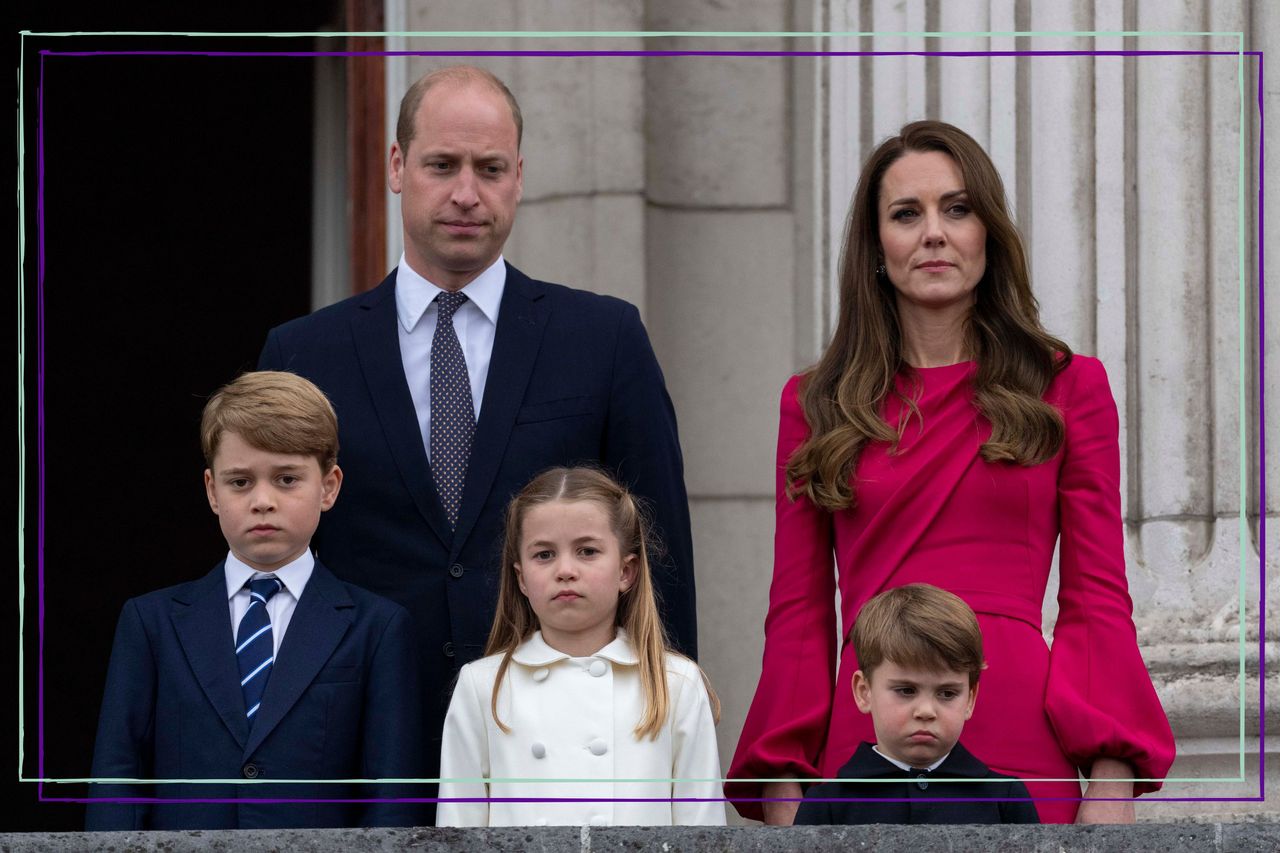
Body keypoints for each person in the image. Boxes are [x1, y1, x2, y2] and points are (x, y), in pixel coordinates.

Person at [257, 66, 697, 795]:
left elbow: (660, 553)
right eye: (442, 165)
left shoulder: (604, 337)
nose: (467, 192)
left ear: (519, 176)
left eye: (490, 168)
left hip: (561, 754)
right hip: (361, 750)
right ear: (397, 167)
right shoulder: (304, 353)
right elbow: (274, 564)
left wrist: (662, 733)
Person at [728, 120, 1175, 825]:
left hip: (1022, 745)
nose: (934, 232)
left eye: (957, 209)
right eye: (907, 214)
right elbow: (798, 613)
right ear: (878, 249)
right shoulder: (815, 403)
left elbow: (1097, 597)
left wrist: (1108, 792)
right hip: (867, 754)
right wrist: (788, 799)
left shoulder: (1068, 387)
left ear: (988, 234)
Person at [86, 371, 424, 830]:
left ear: (329, 486)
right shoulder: (151, 622)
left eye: (287, 479)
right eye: (240, 482)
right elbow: (117, 777)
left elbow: (392, 793)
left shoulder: (377, 628)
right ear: (211, 491)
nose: (262, 500)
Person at [436, 467, 724, 827]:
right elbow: (458, 829)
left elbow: (702, 831)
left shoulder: (676, 684)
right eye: (544, 555)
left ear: (626, 571)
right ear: (521, 578)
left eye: (587, 551)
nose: (565, 570)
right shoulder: (482, 686)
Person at [795, 584, 1039, 825]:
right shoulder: (825, 806)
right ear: (864, 691)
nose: (926, 711)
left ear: (970, 699)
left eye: (947, 693)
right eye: (906, 690)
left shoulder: (1006, 799)